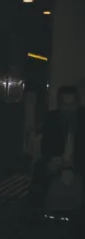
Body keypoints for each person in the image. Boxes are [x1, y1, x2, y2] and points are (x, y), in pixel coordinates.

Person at [29, 85, 84, 216]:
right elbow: (46, 147)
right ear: (59, 104)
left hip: (79, 161)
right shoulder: (51, 118)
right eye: (65, 104)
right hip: (57, 159)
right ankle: (36, 210)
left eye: (72, 104)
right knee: (40, 167)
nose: (69, 108)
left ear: (78, 103)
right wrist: (53, 160)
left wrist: (73, 164)